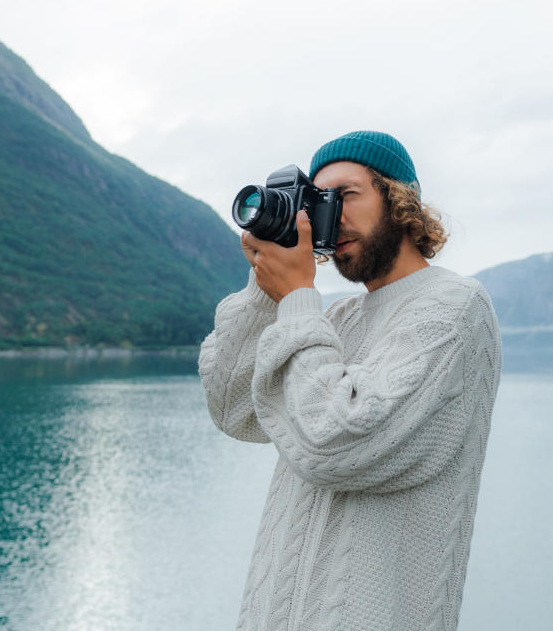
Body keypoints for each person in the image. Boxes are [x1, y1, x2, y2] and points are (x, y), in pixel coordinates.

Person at [199, 130, 502, 631]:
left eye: (348, 195)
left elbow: (336, 442)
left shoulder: (454, 309)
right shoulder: (335, 320)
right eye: (319, 201)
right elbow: (233, 407)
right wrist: (265, 286)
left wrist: (297, 297)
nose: (330, 215)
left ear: (400, 200)